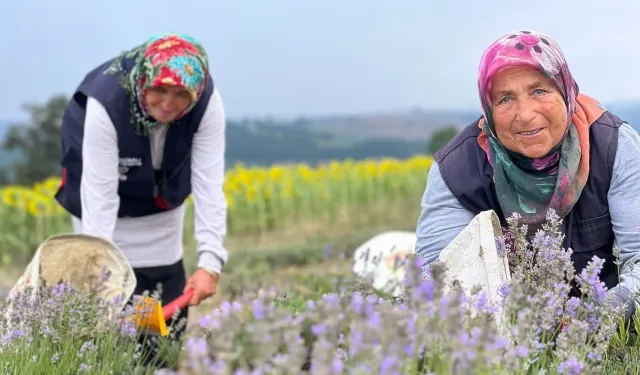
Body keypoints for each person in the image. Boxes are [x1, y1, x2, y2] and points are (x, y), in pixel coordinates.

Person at [415, 30, 640, 321]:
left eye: (539, 91)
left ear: (566, 91)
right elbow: (436, 278)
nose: (525, 114)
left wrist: (589, 323)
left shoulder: (613, 146)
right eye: (505, 99)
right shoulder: (456, 169)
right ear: (488, 109)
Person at [54, 33, 228, 354]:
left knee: (157, 297)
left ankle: (155, 360)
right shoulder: (105, 102)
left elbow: (209, 183)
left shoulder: (207, 102)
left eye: (180, 95)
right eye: (159, 90)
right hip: (102, 205)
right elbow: (100, 195)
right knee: (110, 304)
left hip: (160, 204)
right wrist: (97, 268)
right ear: (143, 82)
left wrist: (210, 261)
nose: (167, 104)